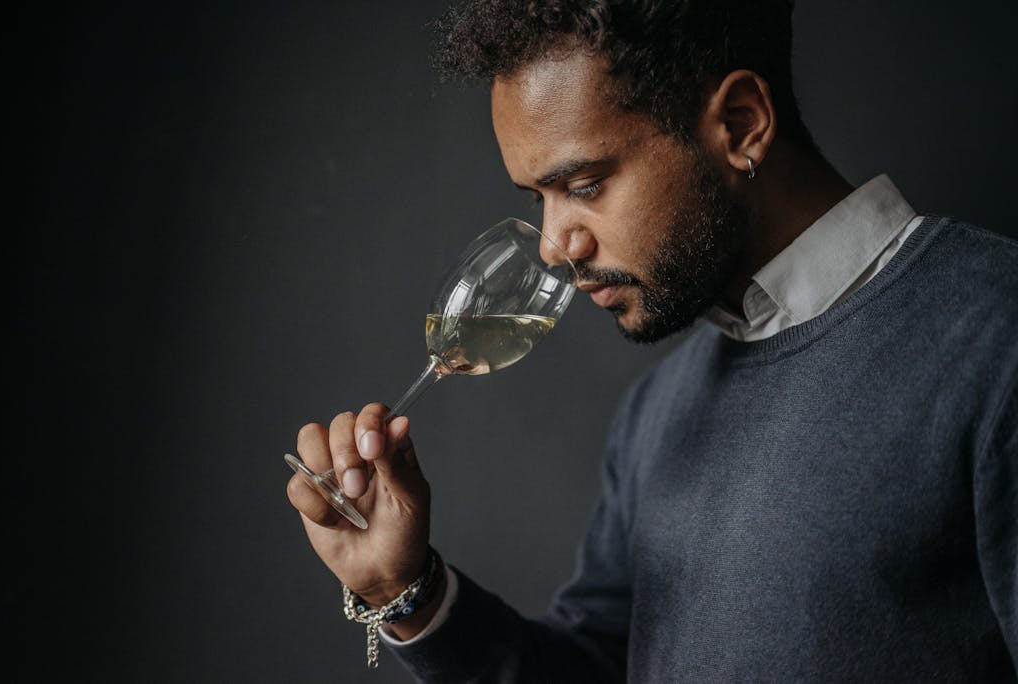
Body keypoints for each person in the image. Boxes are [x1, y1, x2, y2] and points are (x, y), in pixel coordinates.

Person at [286, 1, 1018, 680]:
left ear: (739, 123)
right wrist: (407, 590)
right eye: (535, 198)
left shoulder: (994, 335)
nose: (553, 248)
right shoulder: (658, 411)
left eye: (582, 185)